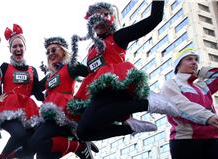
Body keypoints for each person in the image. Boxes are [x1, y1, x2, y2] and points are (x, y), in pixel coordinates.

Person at [67, 0, 179, 143]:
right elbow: (90, 73)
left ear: (112, 19)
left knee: (87, 125)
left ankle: (147, 102)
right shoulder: (91, 50)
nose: (99, 19)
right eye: (94, 17)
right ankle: (131, 126)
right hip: (99, 92)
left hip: (117, 86)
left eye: (104, 15)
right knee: (83, 133)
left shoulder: (118, 37)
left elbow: (154, 19)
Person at [0, 24, 44, 159]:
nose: (18, 48)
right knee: (18, 134)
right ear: (10, 49)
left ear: (25, 48)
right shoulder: (5, 67)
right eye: (14, 46)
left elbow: (38, 92)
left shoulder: (32, 70)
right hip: (8, 108)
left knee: (29, 145)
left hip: (28, 110)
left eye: (20, 45)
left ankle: (7, 158)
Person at [30, 36, 96, 159]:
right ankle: (78, 146)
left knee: (35, 142)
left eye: (53, 50)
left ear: (63, 52)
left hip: (65, 113)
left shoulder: (71, 67)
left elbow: (93, 72)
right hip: (48, 115)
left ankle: (80, 144)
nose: (50, 54)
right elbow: (34, 88)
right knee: (42, 158)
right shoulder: (49, 77)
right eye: (48, 52)